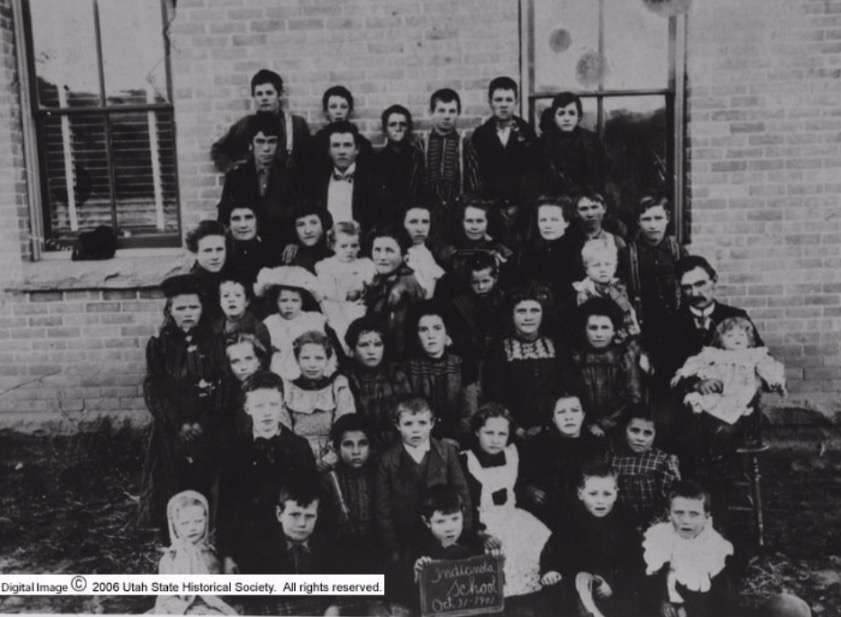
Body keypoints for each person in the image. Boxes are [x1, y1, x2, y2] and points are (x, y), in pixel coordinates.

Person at [139, 274, 228, 537]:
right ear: (170, 311)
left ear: (202, 309)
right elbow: (154, 386)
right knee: (173, 480)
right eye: (181, 308)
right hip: (172, 428)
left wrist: (203, 423)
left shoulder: (214, 342)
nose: (188, 313)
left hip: (208, 426)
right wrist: (178, 423)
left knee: (207, 478)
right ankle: (176, 540)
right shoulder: (160, 344)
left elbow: (223, 383)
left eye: (193, 307)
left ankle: (208, 536)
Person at [217, 372, 316, 575]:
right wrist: (227, 555)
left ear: (282, 404)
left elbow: (310, 499)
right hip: (249, 543)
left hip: (290, 543)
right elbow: (226, 507)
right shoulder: (234, 450)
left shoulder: (299, 447)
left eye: (273, 404)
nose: (267, 413)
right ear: (247, 408)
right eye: (259, 406)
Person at [374, 397, 473, 595]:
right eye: (408, 424)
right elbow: (382, 508)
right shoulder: (388, 460)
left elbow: (462, 492)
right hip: (407, 535)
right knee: (414, 586)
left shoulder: (445, 451)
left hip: (442, 532)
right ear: (397, 425)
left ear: (433, 423)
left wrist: (465, 533)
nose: (416, 430)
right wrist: (392, 547)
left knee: (448, 584)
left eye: (422, 423)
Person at [460, 403, 551, 598]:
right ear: (477, 432)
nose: (495, 440)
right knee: (499, 556)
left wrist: (528, 490)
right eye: (489, 433)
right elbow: (465, 503)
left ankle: (531, 599)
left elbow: (517, 483)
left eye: (502, 434)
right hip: (485, 522)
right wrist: (479, 532)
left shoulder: (513, 453)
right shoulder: (467, 459)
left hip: (512, 516)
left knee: (539, 541)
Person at [539, 463, 641, 617]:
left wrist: (613, 585)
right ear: (580, 494)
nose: (600, 501)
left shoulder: (624, 523)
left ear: (616, 493)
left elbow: (633, 562)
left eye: (607, 494)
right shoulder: (570, 520)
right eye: (593, 494)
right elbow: (553, 549)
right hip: (576, 584)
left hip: (609, 588)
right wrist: (550, 570)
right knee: (559, 595)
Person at [671, 316, 786, 453]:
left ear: (748, 339)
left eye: (741, 335)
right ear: (721, 341)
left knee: (744, 405)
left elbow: (768, 367)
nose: (736, 339)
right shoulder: (715, 354)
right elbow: (696, 362)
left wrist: (776, 382)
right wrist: (683, 373)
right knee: (709, 402)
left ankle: (742, 432)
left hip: (743, 389)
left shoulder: (753, 354)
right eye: (730, 336)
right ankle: (712, 436)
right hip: (721, 390)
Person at [661, 255, 765, 386]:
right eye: (687, 287)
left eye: (700, 284)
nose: (694, 293)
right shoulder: (670, 324)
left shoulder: (736, 316)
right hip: (687, 400)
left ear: (714, 280)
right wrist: (696, 385)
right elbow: (665, 372)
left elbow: (761, 356)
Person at [482, 283, 566, 436]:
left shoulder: (557, 347)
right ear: (511, 314)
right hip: (511, 432)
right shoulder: (498, 351)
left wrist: (548, 425)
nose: (528, 317)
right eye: (521, 311)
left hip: (555, 428)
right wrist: (516, 429)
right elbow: (493, 395)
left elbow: (565, 389)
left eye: (535, 311)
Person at [249, 479, 342, 616]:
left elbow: (332, 594)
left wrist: (332, 606)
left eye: (309, 516)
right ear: (279, 514)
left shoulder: (325, 549)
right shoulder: (261, 552)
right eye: (294, 515)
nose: (302, 524)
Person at [642, 481, 735, 617]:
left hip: (699, 607)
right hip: (665, 605)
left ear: (706, 516)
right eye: (679, 513)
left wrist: (686, 608)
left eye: (694, 514)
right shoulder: (661, 536)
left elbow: (716, 597)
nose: (686, 520)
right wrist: (664, 602)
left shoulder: (714, 546)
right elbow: (652, 579)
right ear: (669, 513)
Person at [519, 393, 608, 527]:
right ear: (553, 418)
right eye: (561, 412)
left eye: (575, 410)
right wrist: (529, 490)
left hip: (587, 516)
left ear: (583, 415)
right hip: (549, 516)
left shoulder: (596, 445)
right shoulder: (538, 446)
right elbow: (522, 480)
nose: (569, 417)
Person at [216, 112, 300, 250]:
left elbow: (299, 213)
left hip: (280, 250)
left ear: (278, 143)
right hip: (244, 249)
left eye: (271, 141)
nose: (266, 149)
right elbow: (224, 215)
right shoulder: (236, 176)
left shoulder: (291, 176)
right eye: (260, 141)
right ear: (251, 144)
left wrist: (293, 241)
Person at [618, 196, 687, 363]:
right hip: (643, 327)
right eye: (646, 219)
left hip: (674, 326)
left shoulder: (678, 251)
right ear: (638, 222)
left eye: (658, 218)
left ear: (667, 219)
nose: (653, 225)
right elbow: (620, 291)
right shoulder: (627, 254)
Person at [470, 76, 541, 236]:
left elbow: (533, 173)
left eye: (509, 100)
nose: (503, 105)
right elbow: (477, 175)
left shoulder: (526, 132)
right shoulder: (481, 134)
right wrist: (492, 207)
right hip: (490, 210)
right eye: (498, 99)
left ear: (516, 103)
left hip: (522, 209)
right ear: (490, 103)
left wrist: (519, 206)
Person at [410, 485, 502, 609]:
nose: (450, 528)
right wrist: (418, 577)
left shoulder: (473, 544)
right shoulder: (421, 550)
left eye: (455, 519)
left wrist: (495, 565)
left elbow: (490, 589)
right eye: (441, 521)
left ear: (463, 515)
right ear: (427, 522)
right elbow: (408, 595)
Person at [564, 297, 644, 436]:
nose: (599, 334)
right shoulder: (575, 358)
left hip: (621, 427)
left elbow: (634, 398)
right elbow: (569, 396)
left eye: (605, 327)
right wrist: (588, 424)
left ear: (614, 330)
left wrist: (604, 424)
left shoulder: (625, 356)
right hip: (582, 427)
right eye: (593, 328)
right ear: (585, 330)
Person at [151, 490, 237, 615]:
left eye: (198, 521)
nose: (192, 528)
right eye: (185, 523)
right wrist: (187, 610)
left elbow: (220, 593)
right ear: (174, 525)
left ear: (206, 521)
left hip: (211, 609)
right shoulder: (170, 558)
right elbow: (166, 597)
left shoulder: (211, 554)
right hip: (180, 611)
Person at [403, 301, 477, 445]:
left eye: (437, 328)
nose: (431, 335)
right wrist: (435, 440)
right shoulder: (406, 369)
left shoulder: (463, 365)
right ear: (416, 335)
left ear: (447, 334)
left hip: (458, 441)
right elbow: (408, 414)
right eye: (423, 330)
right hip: (420, 441)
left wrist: (453, 439)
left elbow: (469, 414)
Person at [210, 68, 310, 174]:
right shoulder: (246, 124)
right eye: (259, 94)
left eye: (269, 93)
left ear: (279, 94)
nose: (264, 98)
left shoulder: (296, 124)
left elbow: (308, 160)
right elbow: (219, 150)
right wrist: (234, 170)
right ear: (254, 97)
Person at [283, 330, 356, 467]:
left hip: (335, 459)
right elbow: (284, 432)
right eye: (305, 358)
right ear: (297, 359)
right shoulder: (288, 390)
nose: (312, 365)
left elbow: (346, 425)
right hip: (298, 461)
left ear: (327, 359)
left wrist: (333, 455)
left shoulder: (338, 386)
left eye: (319, 358)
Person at [320, 415, 380, 573]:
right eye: (348, 444)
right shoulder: (329, 478)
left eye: (362, 444)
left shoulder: (378, 476)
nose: (356, 451)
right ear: (336, 448)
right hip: (338, 555)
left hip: (375, 551)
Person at [344, 316, 413, 452]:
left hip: (397, 447)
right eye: (364, 345)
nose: (371, 351)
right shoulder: (347, 379)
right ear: (352, 350)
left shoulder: (396, 375)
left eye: (377, 344)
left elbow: (408, 417)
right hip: (361, 450)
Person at [609, 405, 681, 531]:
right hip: (623, 525)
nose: (640, 438)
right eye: (635, 431)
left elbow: (670, 501)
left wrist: (650, 527)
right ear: (625, 429)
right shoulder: (614, 459)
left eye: (647, 433)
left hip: (656, 525)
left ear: (656, 434)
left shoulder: (662, 460)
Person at [421, 88, 481, 239]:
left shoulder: (465, 145)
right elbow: (414, 186)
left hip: (458, 214)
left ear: (458, 113)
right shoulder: (421, 146)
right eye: (441, 110)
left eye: (452, 111)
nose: (447, 116)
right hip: (427, 215)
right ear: (431, 112)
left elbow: (474, 185)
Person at [253, 265, 329, 380]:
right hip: (278, 372)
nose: (289, 306)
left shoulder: (313, 320)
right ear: (276, 301)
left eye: (295, 301)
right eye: (284, 301)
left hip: (307, 371)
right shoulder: (270, 323)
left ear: (302, 301)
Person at [435, 194, 514, 302]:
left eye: (480, 221)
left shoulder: (499, 249)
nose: (474, 227)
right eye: (469, 221)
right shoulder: (447, 249)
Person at [363, 225, 426, 358]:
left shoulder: (400, 289)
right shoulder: (384, 280)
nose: (382, 257)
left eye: (389, 251)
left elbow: (397, 339)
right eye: (377, 250)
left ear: (404, 255)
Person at [310, 120, 384, 232]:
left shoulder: (372, 180)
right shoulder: (317, 181)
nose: (342, 151)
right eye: (336, 145)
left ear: (357, 149)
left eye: (347, 145)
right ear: (328, 150)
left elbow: (380, 220)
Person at [316, 220, 377, 352]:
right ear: (333, 246)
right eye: (344, 246)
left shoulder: (365, 265)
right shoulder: (327, 266)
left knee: (363, 334)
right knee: (341, 335)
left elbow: (372, 283)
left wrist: (366, 290)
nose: (349, 250)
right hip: (337, 309)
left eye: (354, 246)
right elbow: (327, 290)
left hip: (360, 308)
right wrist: (346, 295)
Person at [446, 253, 506, 382]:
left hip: (498, 361)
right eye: (475, 282)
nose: (481, 287)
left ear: (495, 278)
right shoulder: (459, 305)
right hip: (468, 362)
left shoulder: (504, 302)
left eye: (486, 281)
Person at [517, 194, 579, 319]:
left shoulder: (577, 251)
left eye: (554, 220)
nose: (548, 225)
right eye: (543, 220)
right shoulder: (529, 250)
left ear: (566, 222)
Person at [539, 91, 607, 195]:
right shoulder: (543, 142)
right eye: (561, 113)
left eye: (572, 113)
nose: (566, 118)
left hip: (587, 200)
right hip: (554, 201)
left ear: (579, 117)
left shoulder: (592, 141)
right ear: (554, 117)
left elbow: (603, 174)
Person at [574, 239, 641, 342]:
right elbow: (584, 320)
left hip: (620, 333)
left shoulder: (618, 287)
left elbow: (626, 310)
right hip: (596, 336)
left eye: (608, 264)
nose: (603, 269)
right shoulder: (585, 291)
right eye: (596, 265)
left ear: (615, 267)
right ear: (587, 269)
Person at [309, 85, 373, 175]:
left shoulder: (362, 144)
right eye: (333, 107)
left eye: (343, 107)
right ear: (326, 111)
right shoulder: (315, 144)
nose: (338, 111)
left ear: (350, 111)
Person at [373, 104, 425, 211]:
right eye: (392, 124)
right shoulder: (376, 161)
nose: (398, 128)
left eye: (403, 124)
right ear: (385, 130)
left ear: (409, 128)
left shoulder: (418, 157)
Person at [567, 190, 627, 280]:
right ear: (576, 212)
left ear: (604, 209)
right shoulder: (569, 243)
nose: (590, 214)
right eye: (584, 209)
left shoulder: (616, 242)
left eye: (594, 207)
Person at [218, 201, 276, 290]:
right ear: (228, 223)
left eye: (248, 218)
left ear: (257, 221)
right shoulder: (219, 253)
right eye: (236, 219)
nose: (243, 225)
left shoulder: (271, 253)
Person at [211, 277, 271, 352]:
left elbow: (265, 356)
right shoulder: (215, 327)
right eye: (226, 296)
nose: (231, 300)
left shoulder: (258, 328)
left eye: (238, 295)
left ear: (247, 302)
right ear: (220, 302)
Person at [185, 220, 228, 322]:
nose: (215, 257)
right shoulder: (187, 288)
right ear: (195, 253)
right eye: (208, 250)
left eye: (219, 249)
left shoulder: (230, 280)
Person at [402, 204, 445, 299]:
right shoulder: (398, 256)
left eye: (425, 222)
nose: (420, 229)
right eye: (413, 222)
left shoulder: (434, 254)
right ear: (403, 224)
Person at [282, 204, 333, 273]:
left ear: (323, 225)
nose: (308, 231)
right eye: (300, 225)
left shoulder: (339, 254)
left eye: (313, 223)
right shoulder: (289, 256)